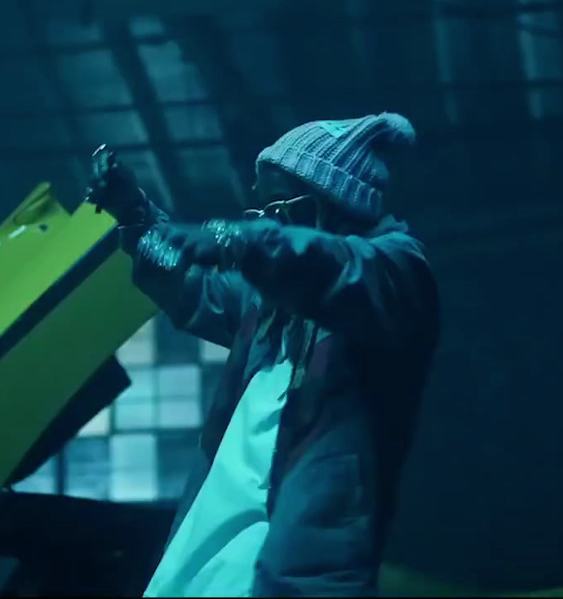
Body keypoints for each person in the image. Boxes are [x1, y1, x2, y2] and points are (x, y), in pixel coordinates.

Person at [86, 112, 441, 597]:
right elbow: (191, 282)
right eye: (258, 212)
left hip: (292, 565)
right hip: (208, 555)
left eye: (276, 207)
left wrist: (237, 239)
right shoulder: (266, 302)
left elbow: (328, 267)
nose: (262, 221)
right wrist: (135, 218)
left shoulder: (395, 271)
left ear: (331, 201)